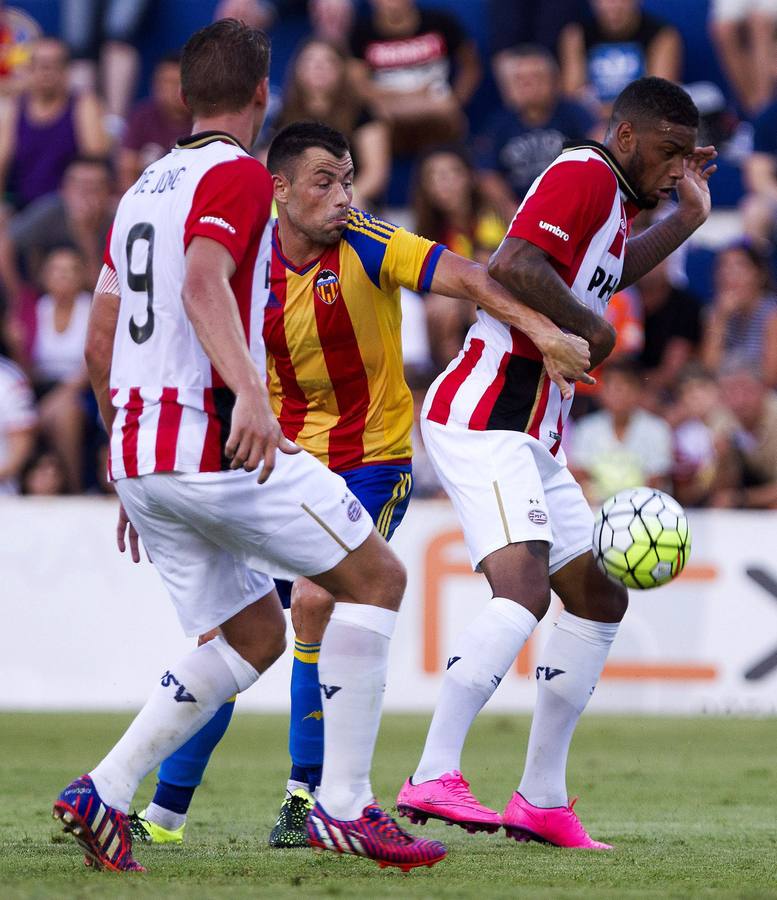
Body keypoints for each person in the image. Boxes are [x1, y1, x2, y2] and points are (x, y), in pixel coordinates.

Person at [51, 20, 448, 874]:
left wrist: (124, 467)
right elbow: (201, 282)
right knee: (375, 575)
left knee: (253, 634)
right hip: (205, 443)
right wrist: (249, 400)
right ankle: (343, 805)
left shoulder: (139, 189)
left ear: (183, 96)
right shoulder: (233, 173)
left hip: (140, 454)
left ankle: (106, 790)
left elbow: (98, 342)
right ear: (263, 96)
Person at [128, 120, 592, 851]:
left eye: (348, 179)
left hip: (371, 462)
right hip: (278, 462)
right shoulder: (239, 263)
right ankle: (162, 816)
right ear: (276, 189)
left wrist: (543, 331)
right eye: (324, 181)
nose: (343, 196)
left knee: (318, 599)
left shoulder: (367, 242)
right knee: (230, 628)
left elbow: (470, 276)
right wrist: (145, 478)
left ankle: (305, 797)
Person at [396, 77, 716, 848]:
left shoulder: (615, 199)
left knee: (599, 598)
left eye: (686, 158)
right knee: (522, 593)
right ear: (629, 136)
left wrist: (686, 217)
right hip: (483, 416)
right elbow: (511, 264)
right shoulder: (580, 173)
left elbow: (605, 275)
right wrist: (590, 332)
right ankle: (432, 773)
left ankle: (540, 799)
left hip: (532, 432)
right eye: (669, 154)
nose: (677, 169)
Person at [477, 44, 599, 222]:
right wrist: (510, 208)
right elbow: (486, 174)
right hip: (520, 214)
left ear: (554, 80)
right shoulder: (498, 124)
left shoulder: (574, 112)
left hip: (574, 209)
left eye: (536, 77)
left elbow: (600, 145)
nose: (527, 85)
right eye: (519, 80)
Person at [412, 145, 506, 368]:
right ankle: (449, 375)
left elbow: (487, 272)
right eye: (433, 176)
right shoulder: (430, 230)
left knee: (449, 309)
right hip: (461, 302)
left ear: (469, 177)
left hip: (495, 293)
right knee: (436, 310)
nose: (443, 183)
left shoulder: (489, 215)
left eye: (451, 173)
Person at [348, 0, 481, 154]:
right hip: (390, 108)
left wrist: (456, 100)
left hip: (435, 103)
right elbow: (358, 84)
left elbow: (471, 66)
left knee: (451, 114)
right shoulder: (360, 32)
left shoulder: (440, 22)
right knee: (373, 124)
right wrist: (402, 98)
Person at [272, 39, 389, 209]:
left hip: (350, 200)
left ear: (342, 69)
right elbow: (269, 164)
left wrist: (343, 196)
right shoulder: (284, 116)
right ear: (297, 69)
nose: (319, 67)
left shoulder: (363, 114)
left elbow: (375, 173)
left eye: (328, 61)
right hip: (300, 202)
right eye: (310, 61)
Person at [0, 38, 109, 210]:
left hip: (68, 208)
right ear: (29, 69)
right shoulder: (14, 108)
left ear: (67, 70)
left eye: (53, 64)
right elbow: (1, 164)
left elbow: (95, 161)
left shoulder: (83, 104)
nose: (46, 71)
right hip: (21, 209)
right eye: (40, 64)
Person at [567, 358, 673, 505]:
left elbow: (657, 478)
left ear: (637, 391)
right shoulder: (586, 428)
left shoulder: (657, 429)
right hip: (596, 508)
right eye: (609, 386)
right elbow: (581, 475)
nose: (615, 393)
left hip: (643, 510)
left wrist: (627, 506)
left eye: (622, 386)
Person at [29, 247, 92, 493]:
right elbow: (28, 365)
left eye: (70, 270)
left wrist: (62, 395)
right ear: (44, 276)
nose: (62, 276)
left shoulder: (91, 308)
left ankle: (74, 489)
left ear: (82, 276)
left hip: (83, 389)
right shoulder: (36, 310)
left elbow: (94, 358)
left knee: (65, 414)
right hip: (41, 387)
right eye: (56, 270)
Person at [558, 0, 682, 118]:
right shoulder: (575, 35)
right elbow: (572, 97)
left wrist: (604, 110)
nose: (614, 6)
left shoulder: (662, 36)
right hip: (591, 126)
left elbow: (660, 96)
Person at [700, 242, 777, 388]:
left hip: (764, 394)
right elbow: (709, 370)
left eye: (739, 267)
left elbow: (771, 377)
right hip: (725, 394)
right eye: (723, 267)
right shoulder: (714, 313)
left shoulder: (772, 313)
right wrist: (721, 319)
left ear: (760, 274)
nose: (729, 274)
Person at [118, 54, 192, 193]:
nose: (171, 90)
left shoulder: (201, 119)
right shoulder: (142, 116)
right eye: (165, 82)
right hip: (145, 199)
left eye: (177, 82)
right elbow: (126, 170)